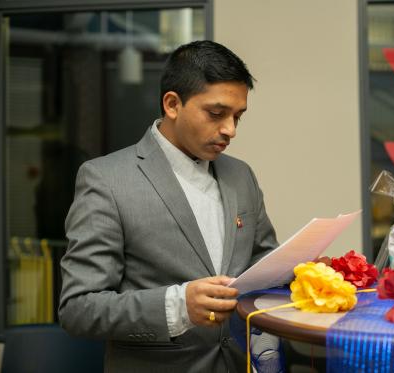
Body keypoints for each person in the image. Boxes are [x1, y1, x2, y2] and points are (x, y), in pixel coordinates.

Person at [59, 40, 278, 373]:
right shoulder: (106, 180)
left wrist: (306, 270)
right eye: (217, 114)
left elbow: (262, 260)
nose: (230, 130)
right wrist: (178, 306)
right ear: (173, 104)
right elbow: (78, 308)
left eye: (238, 116)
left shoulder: (240, 174)